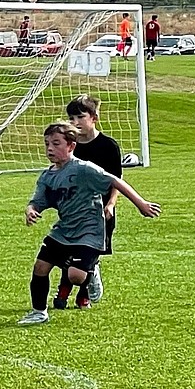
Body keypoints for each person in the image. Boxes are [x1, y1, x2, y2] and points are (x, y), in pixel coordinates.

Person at [20, 122, 160, 326]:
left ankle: (91, 269)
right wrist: (31, 211)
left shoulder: (84, 169)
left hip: (89, 230)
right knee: (40, 266)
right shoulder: (47, 176)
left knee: (76, 276)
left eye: (56, 143)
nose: (50, 148)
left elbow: (115, 181)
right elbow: (38, 201)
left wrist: (141, 203)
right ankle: (38, 311)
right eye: (47, 144)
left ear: (71, 146)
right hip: (64, 230)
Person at [53, 95, 121, 310]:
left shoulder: (108, 146)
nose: (75, 122)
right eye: (71, 117)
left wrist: (110, 205)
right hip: (74, 210)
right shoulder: (70, 147)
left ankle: (84, 293)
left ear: (94, 118)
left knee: (88, 253)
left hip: (100, 211)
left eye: (80, 116)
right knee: (69, 250)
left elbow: (116, 181)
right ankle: (64, 289)